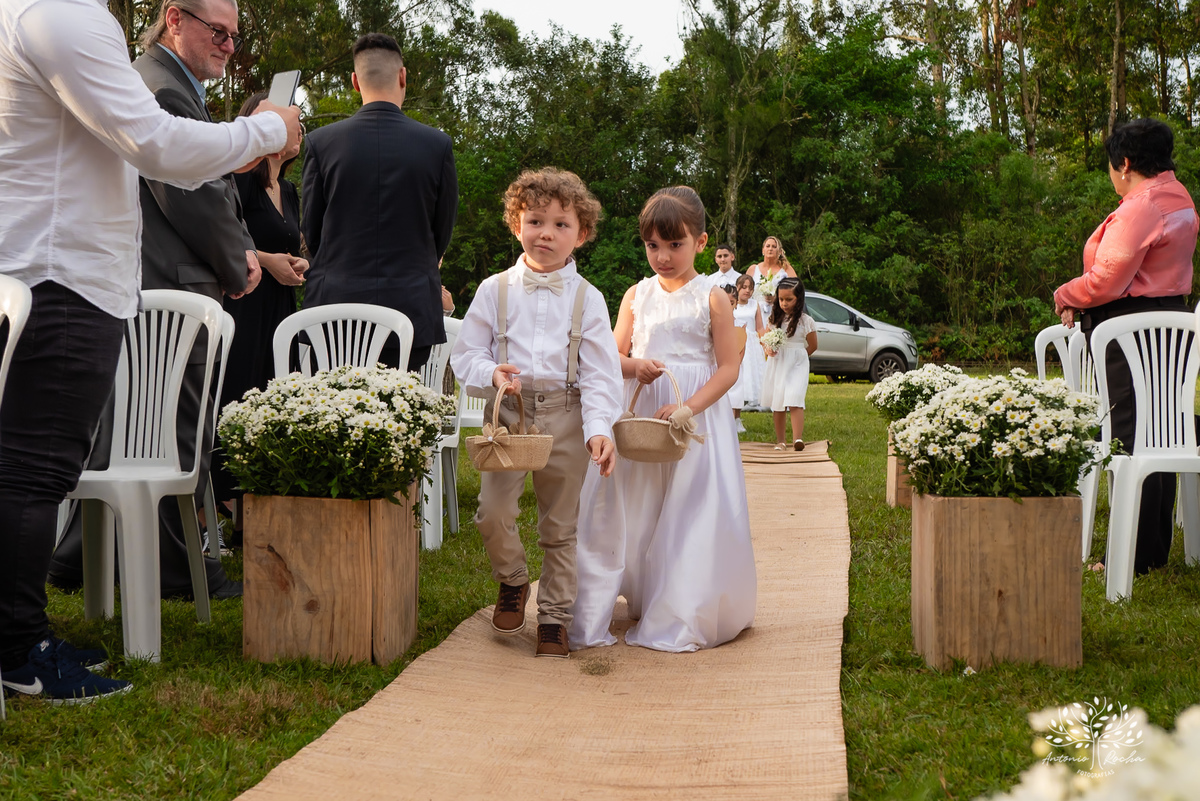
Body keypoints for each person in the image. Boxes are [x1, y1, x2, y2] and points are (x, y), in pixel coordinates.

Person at [0, 0, 299, 703]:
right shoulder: (61, 18)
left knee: (27, 471)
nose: (227, 40)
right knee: (33, 475)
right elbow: (155, 144)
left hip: (49, 272)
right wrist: (264, 127)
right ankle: (17, 653)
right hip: (61, 278)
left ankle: (22, 633)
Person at [569, 186, 757, 653]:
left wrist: (690, 408)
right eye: (654, 245)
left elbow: (729, 367)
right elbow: (610, 355)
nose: (664, 256)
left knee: (688, 506)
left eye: (675, 245)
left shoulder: (713, 297)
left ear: (700, 241)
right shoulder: (637, 294)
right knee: (638, 501)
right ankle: (642, 587)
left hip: (693, 415)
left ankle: (682, 600)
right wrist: (636, 366)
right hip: (642, 413)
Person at [449, 168, 623, 659]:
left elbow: (601, 375)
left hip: (567, 414)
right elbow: (466, 356)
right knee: (492, 512)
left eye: (561, 225)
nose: (546, 232)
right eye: (535, 220)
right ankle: (512, 579)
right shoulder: (494, 289)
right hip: (510, 415)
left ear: (581, 235)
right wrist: (493, 373)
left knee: (560, 525)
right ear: (515, 224)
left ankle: (554, 618)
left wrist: (598, 431)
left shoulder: (588, 299)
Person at [133, 0, 263, 600]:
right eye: (218, 31)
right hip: (172, 287)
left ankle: (79, 556)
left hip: (165, 281)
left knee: (143, 432)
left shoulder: (164, 79)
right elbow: (193, 193)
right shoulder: (162, 87)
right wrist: (236, 262)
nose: (229, 45)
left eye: (234, 35)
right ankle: (180, 570)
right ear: (173, 18)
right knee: (177, 435)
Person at [1053, 118, 1198, 576]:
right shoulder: (1179, 198)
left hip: (1131, 330)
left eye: (1112, 168)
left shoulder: (1143, 205)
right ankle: (1151, 549)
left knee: (1132, 438)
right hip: (1167, 325)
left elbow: (1107, 279)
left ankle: (1134, 556)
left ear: (1126, 163)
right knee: (1159, 433)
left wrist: (1066, 294)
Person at [302, 32, 458, 371]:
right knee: (398, 413)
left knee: (331, 411)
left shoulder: (321, 143)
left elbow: (311, 229)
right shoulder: (437, 145)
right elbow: (441, 230)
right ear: (403, 76)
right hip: (411, 306)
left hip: (335, 307)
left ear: (355, 82)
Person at [212, 91, 309, 526]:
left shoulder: (288, 189)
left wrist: (300, 261)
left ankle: (257, 494)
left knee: (272, 394)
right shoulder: (241, 180)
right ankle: (222, 500)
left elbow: (296, 243)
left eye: (299, 120)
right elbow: (231, 236)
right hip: (245, 303)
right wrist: (268, 261)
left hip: (281, 306)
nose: (297, 125)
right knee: (239, 390)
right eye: (287, 117)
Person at [761, 277, 818, 451]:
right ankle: (780, 441)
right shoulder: (774, 319)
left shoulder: (806, 321)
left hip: (798, 364)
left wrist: (800, 357)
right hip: (778, 362)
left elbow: (813, 345)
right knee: (779, 401)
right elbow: (766, 342)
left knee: (795, 398)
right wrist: (768, 350)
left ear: (799, 299)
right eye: (781, 299)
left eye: (789, 299)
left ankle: (797, 439)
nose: (784, 303)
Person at [731, 273, 766, 426]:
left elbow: (759, 327)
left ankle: (739, 415)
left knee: (749, 378)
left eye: (750, 288)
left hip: (751, 344)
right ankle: (732, 416)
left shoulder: (754, 305)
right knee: (736, 379)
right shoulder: (731, 303)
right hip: (736, 342)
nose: (747, 291)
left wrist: (766, 343)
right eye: (744, 287)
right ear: (737, 287)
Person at [745, 235, 797, 312]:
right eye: (768, 246)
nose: (770, 249)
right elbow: (743, 291)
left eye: (774, 246)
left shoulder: (786, 269)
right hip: (756, 312)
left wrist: (777, 298)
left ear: (779, 251)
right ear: (763, 250)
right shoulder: (753, 269)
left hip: (779, 312)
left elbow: (797, 291)